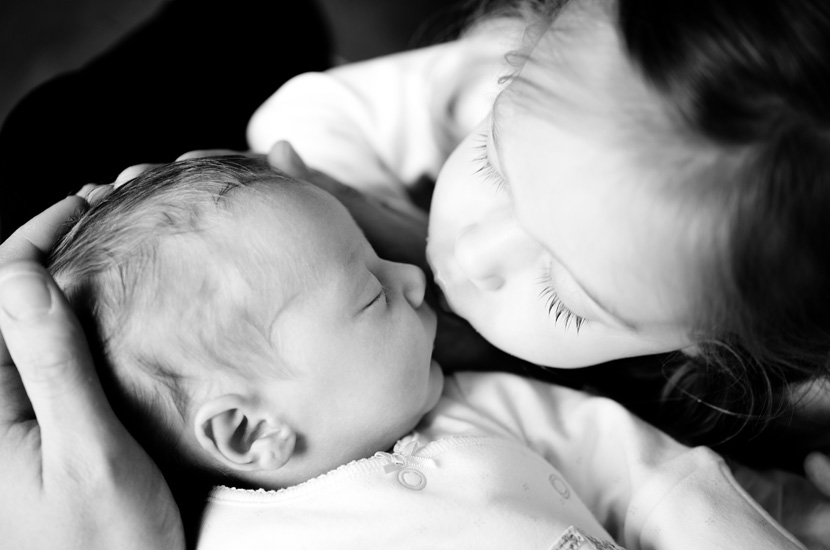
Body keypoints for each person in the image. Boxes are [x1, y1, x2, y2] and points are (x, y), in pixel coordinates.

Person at [46, 154, 809, 550]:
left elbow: (659, 485)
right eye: (372, 292)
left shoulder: (481, 408)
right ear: (249, 430)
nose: (412, 275)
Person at [245, 0, 830, 473]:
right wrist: (332, 213)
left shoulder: (792, 390)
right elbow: (311, 110)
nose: (473, 252)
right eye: (489, 162)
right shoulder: (540, 80)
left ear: (720, 343)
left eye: (564, 297)